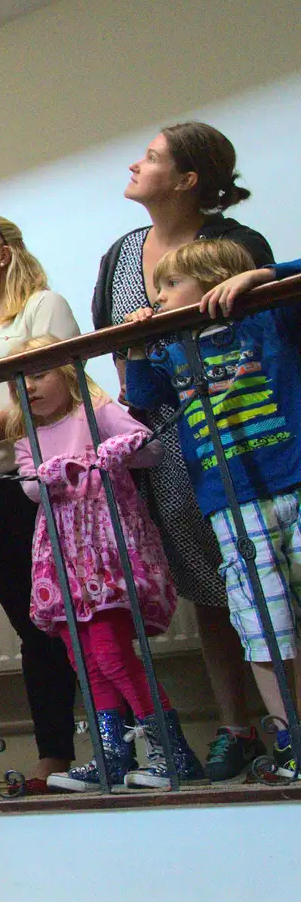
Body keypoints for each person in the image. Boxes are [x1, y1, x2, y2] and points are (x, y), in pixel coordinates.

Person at [94, 122, 275, 781]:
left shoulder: (233, 243)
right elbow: (114, 347)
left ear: (189, 178)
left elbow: (265, 317)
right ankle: (239, 725)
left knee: (265, 569)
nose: (135, 164)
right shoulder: (120, 255)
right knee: (206, 586)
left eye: (151, 157)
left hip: (235, 425)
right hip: (159, 435)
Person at [126, 241, 301, 779]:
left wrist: (259, 279)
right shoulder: (173, 346)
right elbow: (143, 396)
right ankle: (289, 733)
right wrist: (136, 345)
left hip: (291, 480)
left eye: (169, 286)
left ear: (215, 281)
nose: (158, 299)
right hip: (230, 505)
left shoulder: (267, 317)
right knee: (262, 622)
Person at [8, 338, 201, 791]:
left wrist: (113, 453)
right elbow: (32, 488)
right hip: (64, 558)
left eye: (39, 374)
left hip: (108, 553)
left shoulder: (95, 411)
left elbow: (147, 449)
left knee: (112, 651)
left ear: (69, 374)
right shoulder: (27, 439)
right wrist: (71, 465)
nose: (28, 387)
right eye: (19, 381)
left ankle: (172, 751)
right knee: (83, 657)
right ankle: (113, 754)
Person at [0, 216, 80, 790]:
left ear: (2, 255)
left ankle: (112, 742)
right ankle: (54, 753)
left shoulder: (43, 306)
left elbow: (61, 381)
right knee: (30, 624)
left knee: (70, 617)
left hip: (42, 478)